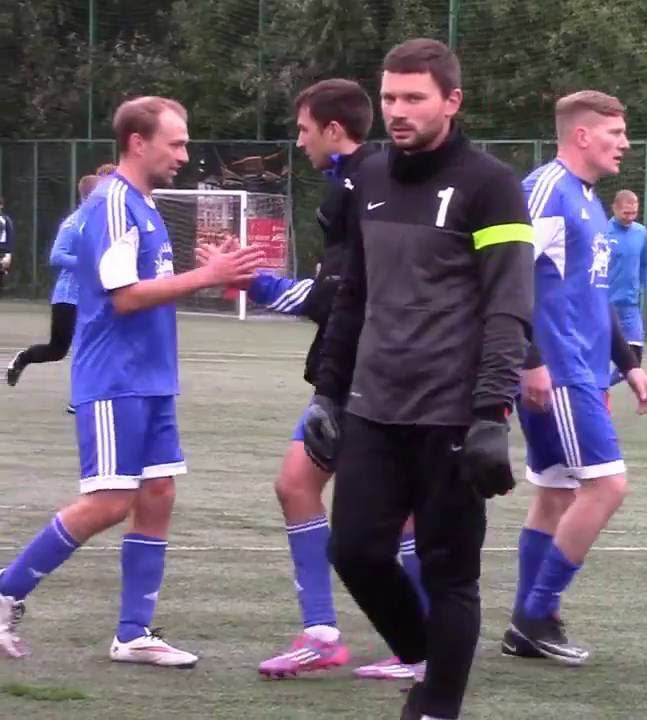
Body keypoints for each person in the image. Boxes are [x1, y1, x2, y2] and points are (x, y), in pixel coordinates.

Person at [302, 38, 534, 720]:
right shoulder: (370, 177)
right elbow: (353, 296)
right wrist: (327, 392)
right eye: (390, 97)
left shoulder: (491, 185)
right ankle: (431, 665)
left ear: (452, 101)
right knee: (355, 551)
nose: (398, 111)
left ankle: (436, 707)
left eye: (414, 98)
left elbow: (508, 305)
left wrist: (491, 413)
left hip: (452, 414)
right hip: (373, 407)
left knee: (449, 573)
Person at [0, 96, 265, 665]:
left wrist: (204, 267)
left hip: (152, 377)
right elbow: (123, 297)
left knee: (158, 493)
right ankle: (6, 590)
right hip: (115, 378)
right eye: (176, 143)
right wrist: (207, 276)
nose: (184, 155)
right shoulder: (114, 202)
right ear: (138, 143)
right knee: (109, 501)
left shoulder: (144, 204)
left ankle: (133, 633)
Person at [246, 78, 427, 681]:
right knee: (304, 486)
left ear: (332, 129)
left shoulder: (362, 184)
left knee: (340, 495)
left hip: (369, 370)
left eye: (303, 130)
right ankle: (344, 635)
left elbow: (340, 294)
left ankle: (413, 643)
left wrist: (258, 283)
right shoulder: (355, 181)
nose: (299, 142)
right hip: (353, 368)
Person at [504, 90, 647, 666]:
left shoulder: (589, 200)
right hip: (560, 370)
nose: (624, 144)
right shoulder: (547, 191)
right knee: (607, 487)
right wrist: (530, 359)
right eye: (615, 134)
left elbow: (595, 297)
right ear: (582, 135)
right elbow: (504, 275)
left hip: (583, 371)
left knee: (555, 496)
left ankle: (525, 626)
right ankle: (537, 612)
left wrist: (630, 364)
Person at [7, 172, 108, 402]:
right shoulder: (73, 223)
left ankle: (81, 398)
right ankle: (23, 358)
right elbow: (56, 256)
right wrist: (87, 264)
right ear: (90, 195)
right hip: (69, 296)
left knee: (92, 346)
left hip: (91, 296)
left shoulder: (102, 221)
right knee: (57, 349)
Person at [605, 189, 647, 386]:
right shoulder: (602, 231)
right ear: (614, 209)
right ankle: (595, 392)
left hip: (630, 306)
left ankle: (600, 388)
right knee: (598, 356)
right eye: (625, 213)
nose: (630, 217)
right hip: (604, 305)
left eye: (634, 213)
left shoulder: (641, 232)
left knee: (633, 360)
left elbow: (646, 265)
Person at [0, 197, 13, 295]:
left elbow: (10, 237)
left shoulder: (6, 220)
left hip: (2, 251)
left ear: (1, 206)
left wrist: (8, 254)